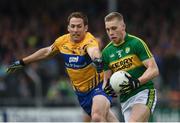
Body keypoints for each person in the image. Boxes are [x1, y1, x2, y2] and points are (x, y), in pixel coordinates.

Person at [6, 12, 118, 122]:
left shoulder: (89, 40)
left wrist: (97, 60)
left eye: (79, 26)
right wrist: (23, 62)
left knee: (97, 117)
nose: (75, 30)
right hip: (82, 94)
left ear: (85, 28)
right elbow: (46, 52)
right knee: (108, 118)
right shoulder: (62, 41)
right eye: (73, 26)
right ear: (68, 28)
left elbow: (93, 50)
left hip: (99, 86)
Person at [102, 12, 159, 122]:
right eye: (108, 29)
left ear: (123, 26)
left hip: (143, 92)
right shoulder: (106, 53)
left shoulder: (136, 43)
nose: (111, 33)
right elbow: (106, 81)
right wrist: (107, 89)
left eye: (114, 28)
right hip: (125, 99)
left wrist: (137, 81)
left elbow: (154, 69)